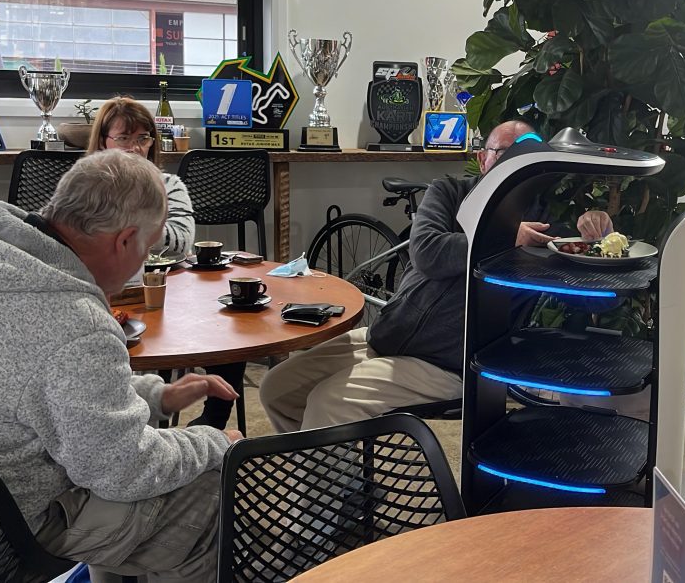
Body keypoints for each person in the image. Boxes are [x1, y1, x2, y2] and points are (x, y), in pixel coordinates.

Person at [0, 151, 241, 582]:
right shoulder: (73, 320)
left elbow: (36, 384)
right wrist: (213, 441)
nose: (144, 261)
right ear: (125, 240)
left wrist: (156, 395)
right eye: (148, 247)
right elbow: (123, 471)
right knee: (214, 499)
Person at [259, 120, 613, 432]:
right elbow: (427, 252)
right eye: (504, 152)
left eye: (525, 157)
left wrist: (594, 239)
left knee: (329, 402)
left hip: (450, 364)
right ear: (482, 158)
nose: (512, 163)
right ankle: (340, 478)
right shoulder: (447, 191)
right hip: (386, 335)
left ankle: (328, 499)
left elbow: (581, 298)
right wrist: (505, 236)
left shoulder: (550, 226)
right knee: (277, 387)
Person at [87, 97, 244, 430]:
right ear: (103, 141)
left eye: (143, 138)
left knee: (231, 321)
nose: (134, 148)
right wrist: (141, 222)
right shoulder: (86, 187)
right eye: (123, 138)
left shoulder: (168, 185)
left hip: (168, 289)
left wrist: (127, 218)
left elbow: (179, 243)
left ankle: (214, 419)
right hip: (108, 295)